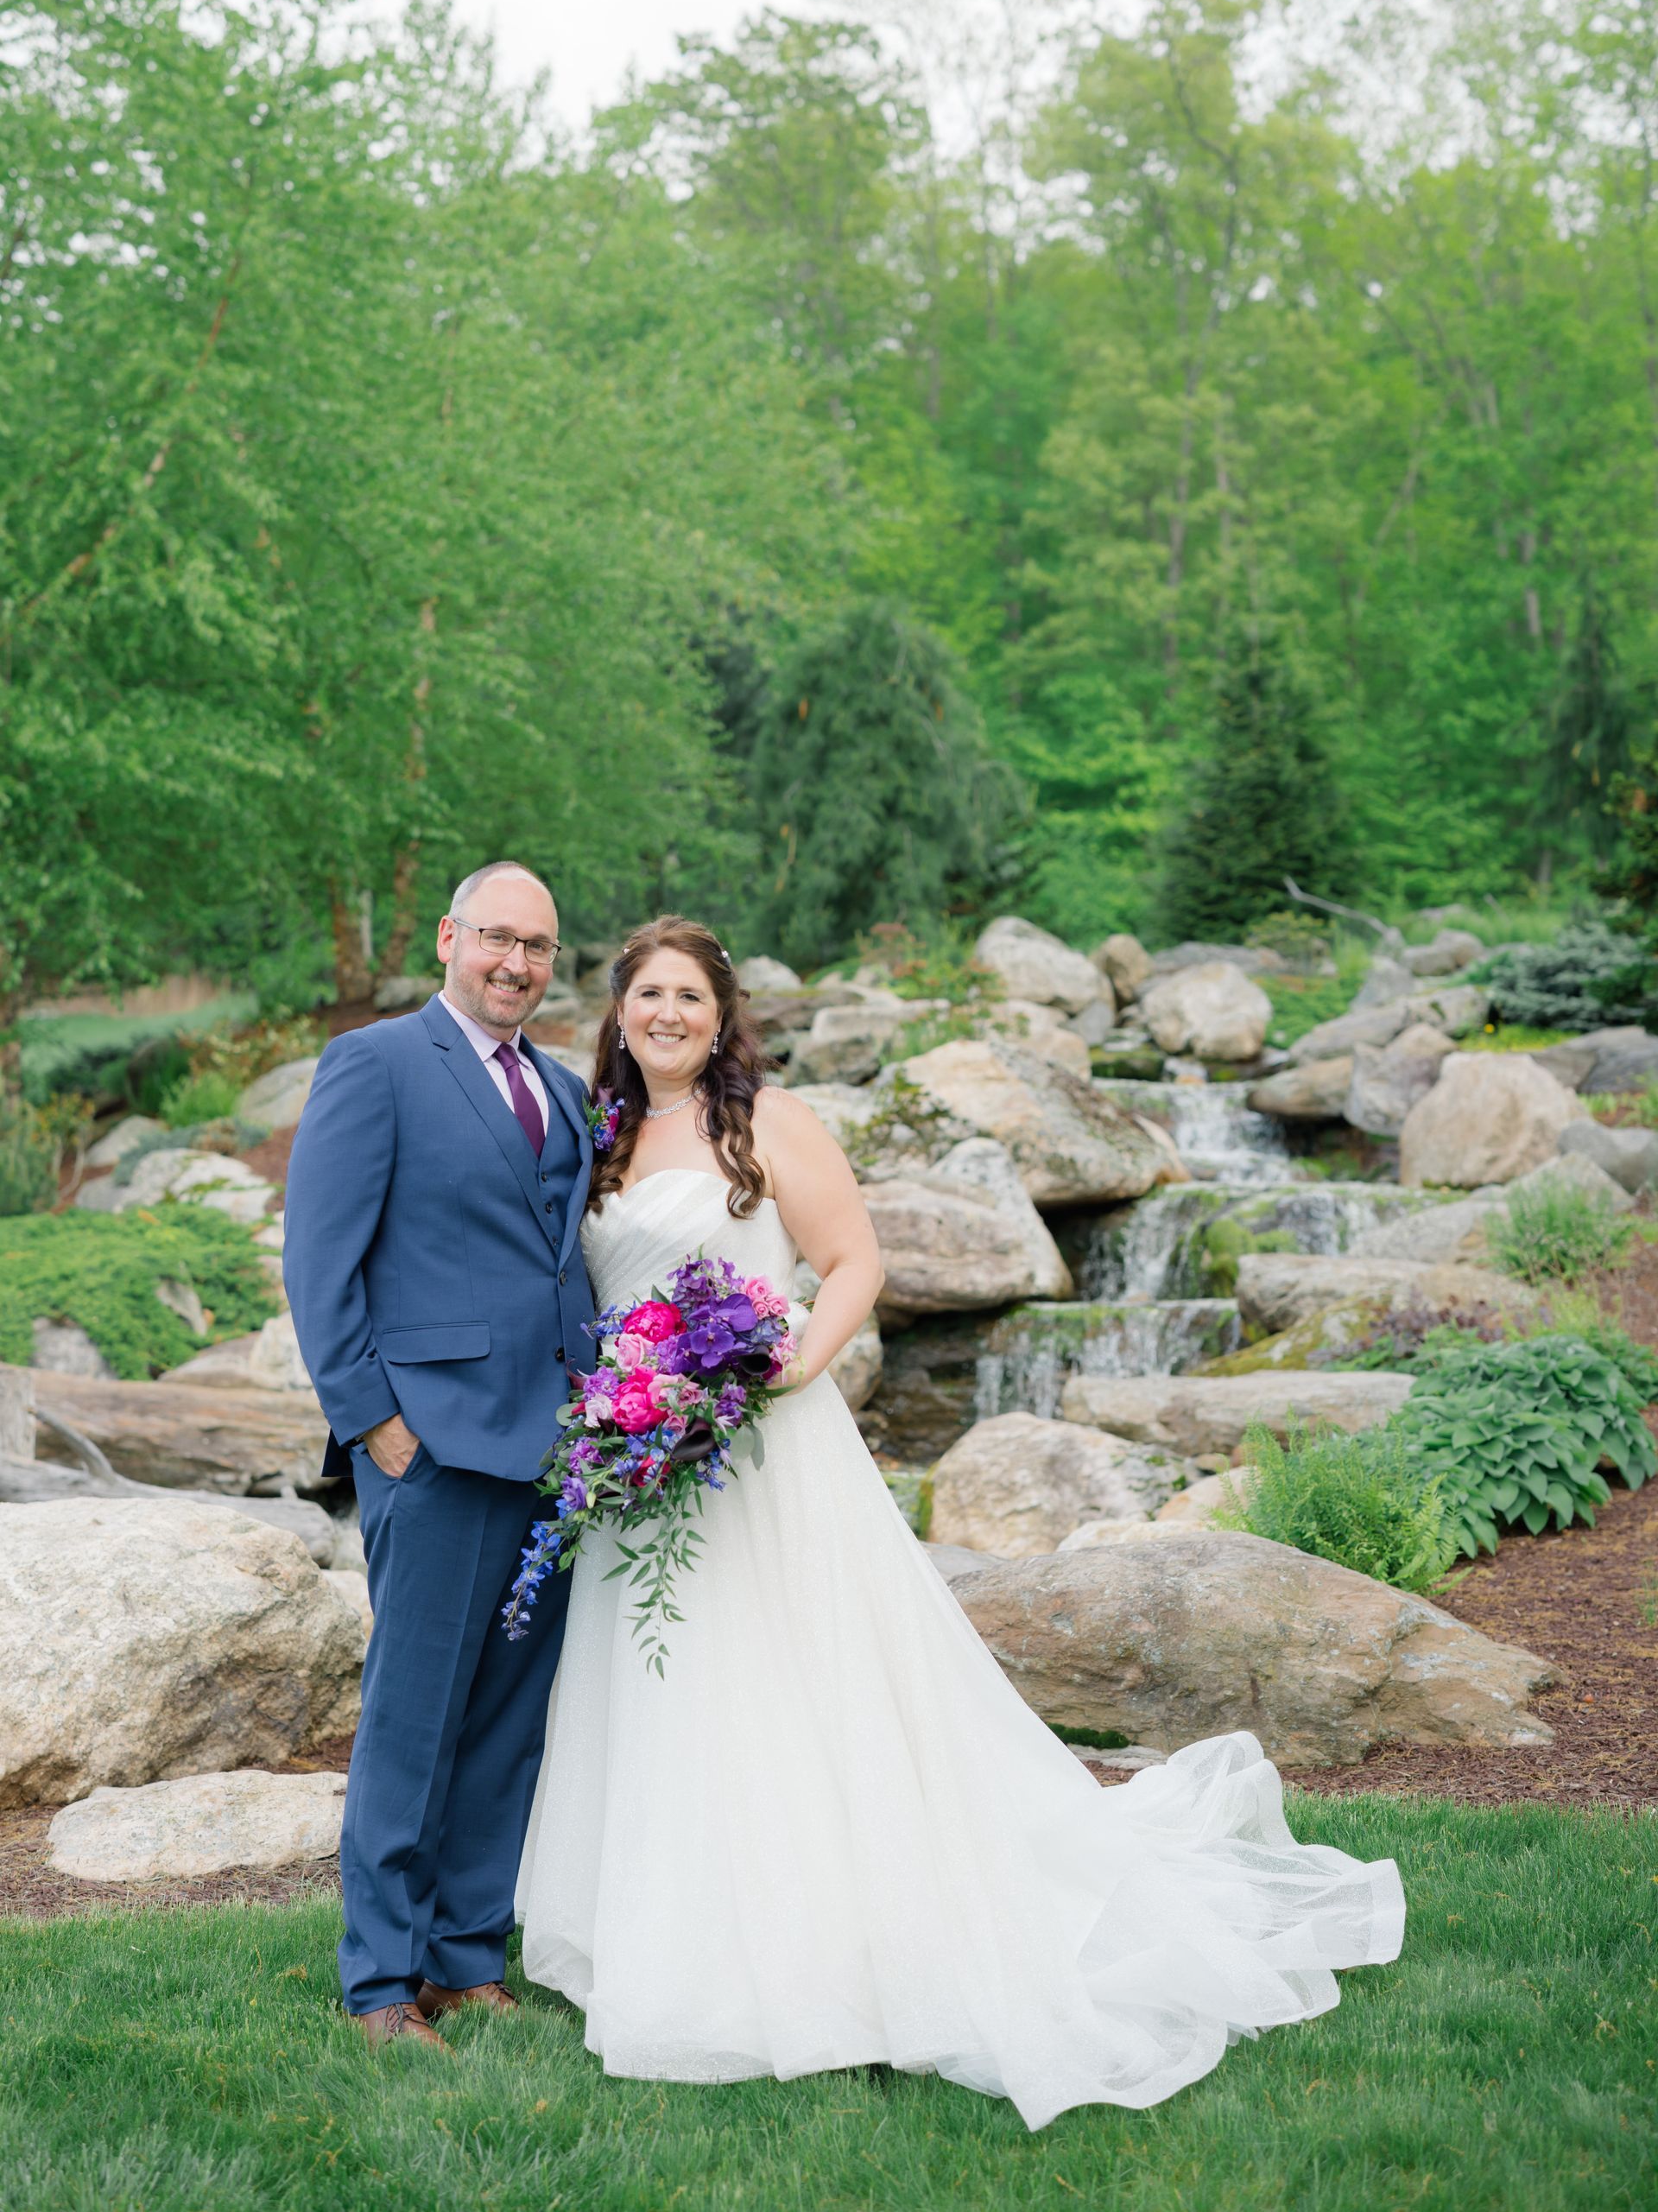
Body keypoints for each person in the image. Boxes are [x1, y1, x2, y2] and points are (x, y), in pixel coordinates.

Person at [515, 915, 1405, 2129]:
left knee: (794, 1684)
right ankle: (676, 1940)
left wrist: (785, 1369)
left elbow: (854, 1262)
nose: (668, 1013)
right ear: (618, 1011)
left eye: (691, 996)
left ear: (722, 1016)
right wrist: (623, 1406)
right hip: (643, 1453)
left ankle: (835, 1949)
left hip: (763, 1449)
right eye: (648, 994)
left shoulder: (769, 1123)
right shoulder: (598, 1135)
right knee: (669, 1685)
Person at [285, 860, 597, 2050]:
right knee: (412, 1722)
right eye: (497, 939)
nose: (517, 963)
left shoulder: (562, 1090)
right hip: (435, 1444)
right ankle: (379, 1981)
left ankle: (469, 1956)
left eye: (538, 947)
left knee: (507, 1722)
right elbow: (321, 1260)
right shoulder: (376, 1063)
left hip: (558, 1453)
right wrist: (377, 1425)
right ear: (448, 938)